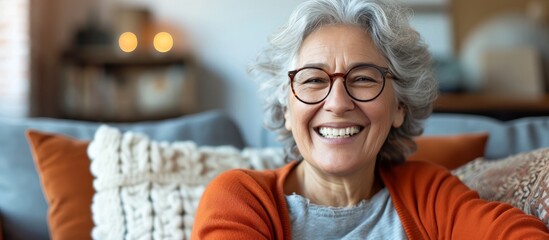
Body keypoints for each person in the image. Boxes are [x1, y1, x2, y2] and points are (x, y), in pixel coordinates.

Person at [192, 0, 549, 239]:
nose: (337, 102)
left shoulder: (429, 192)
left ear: (399, 107)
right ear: (286, 109)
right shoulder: (240, 198)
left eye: (363, 78)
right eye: (314, 79)